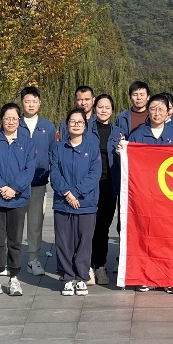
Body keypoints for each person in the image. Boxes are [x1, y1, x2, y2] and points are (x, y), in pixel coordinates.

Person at [116, 93, 173, 293]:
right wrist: (123, 153)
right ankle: (145, 276)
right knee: (146, 235)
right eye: (153, 109)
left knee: (169, 237)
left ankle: (170, 277)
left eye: (161, 109)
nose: (156, 113)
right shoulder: (137, 134)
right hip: (145, 194)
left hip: (169, 194)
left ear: (168, 112)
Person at [0, 102, 36, 297]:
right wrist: (1, 187)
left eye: (14, 118)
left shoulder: (27, 142)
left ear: (19, 120)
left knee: (15, 240)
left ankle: (14, 278)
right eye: (7, 118)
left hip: (18, 199)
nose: (11, 122)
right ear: (1, 120)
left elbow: (29, 168)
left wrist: (14, 188)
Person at [51, 109, 102, 296]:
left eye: (79, 122)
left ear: (85, 126)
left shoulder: (92, 148)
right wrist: (67, 193)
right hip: (63, 203)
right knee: (64, 242)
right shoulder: (58, 148)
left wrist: (77, 193)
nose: (76, 125)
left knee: (84, 242)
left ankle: (81, 277)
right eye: (72, 121)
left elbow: (94, 174)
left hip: (85, 203)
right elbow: (55, 173)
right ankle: (67, 277)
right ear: (67, 125)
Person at [18, 86, 56, 277]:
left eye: (34, 101)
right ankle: (12, 259)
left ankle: (33, 259)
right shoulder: (14, 124)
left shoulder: (48, 127)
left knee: (35, 223)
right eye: (27, 101)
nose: (31, 105)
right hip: (16, 184)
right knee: (14, 224)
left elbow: (52, 153)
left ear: (40, 103)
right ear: (22, 103)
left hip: (38, 182)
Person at [89, 94, 118, 285]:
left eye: (107, 107)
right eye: (100, 107)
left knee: (103, 227)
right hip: (90, 185)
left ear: (112, 110)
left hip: (109, 185)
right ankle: (86, 265)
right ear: (94, 108)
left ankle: (100, 265)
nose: (103, 110)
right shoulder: (86, 130)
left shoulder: (118, 132)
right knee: (87, 226)